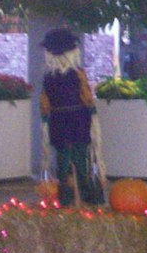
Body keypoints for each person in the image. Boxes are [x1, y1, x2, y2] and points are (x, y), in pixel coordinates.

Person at [39, 27, 106, 207]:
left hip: (60, 120)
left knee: (64, 159)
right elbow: (87, 98)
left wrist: (45, 120)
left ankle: (67, 196)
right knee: (79, 157)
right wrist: (92, 115)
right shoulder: (78, 74)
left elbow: (45, 104)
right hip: (77, 118)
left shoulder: (49, 78)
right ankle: (84, 195)